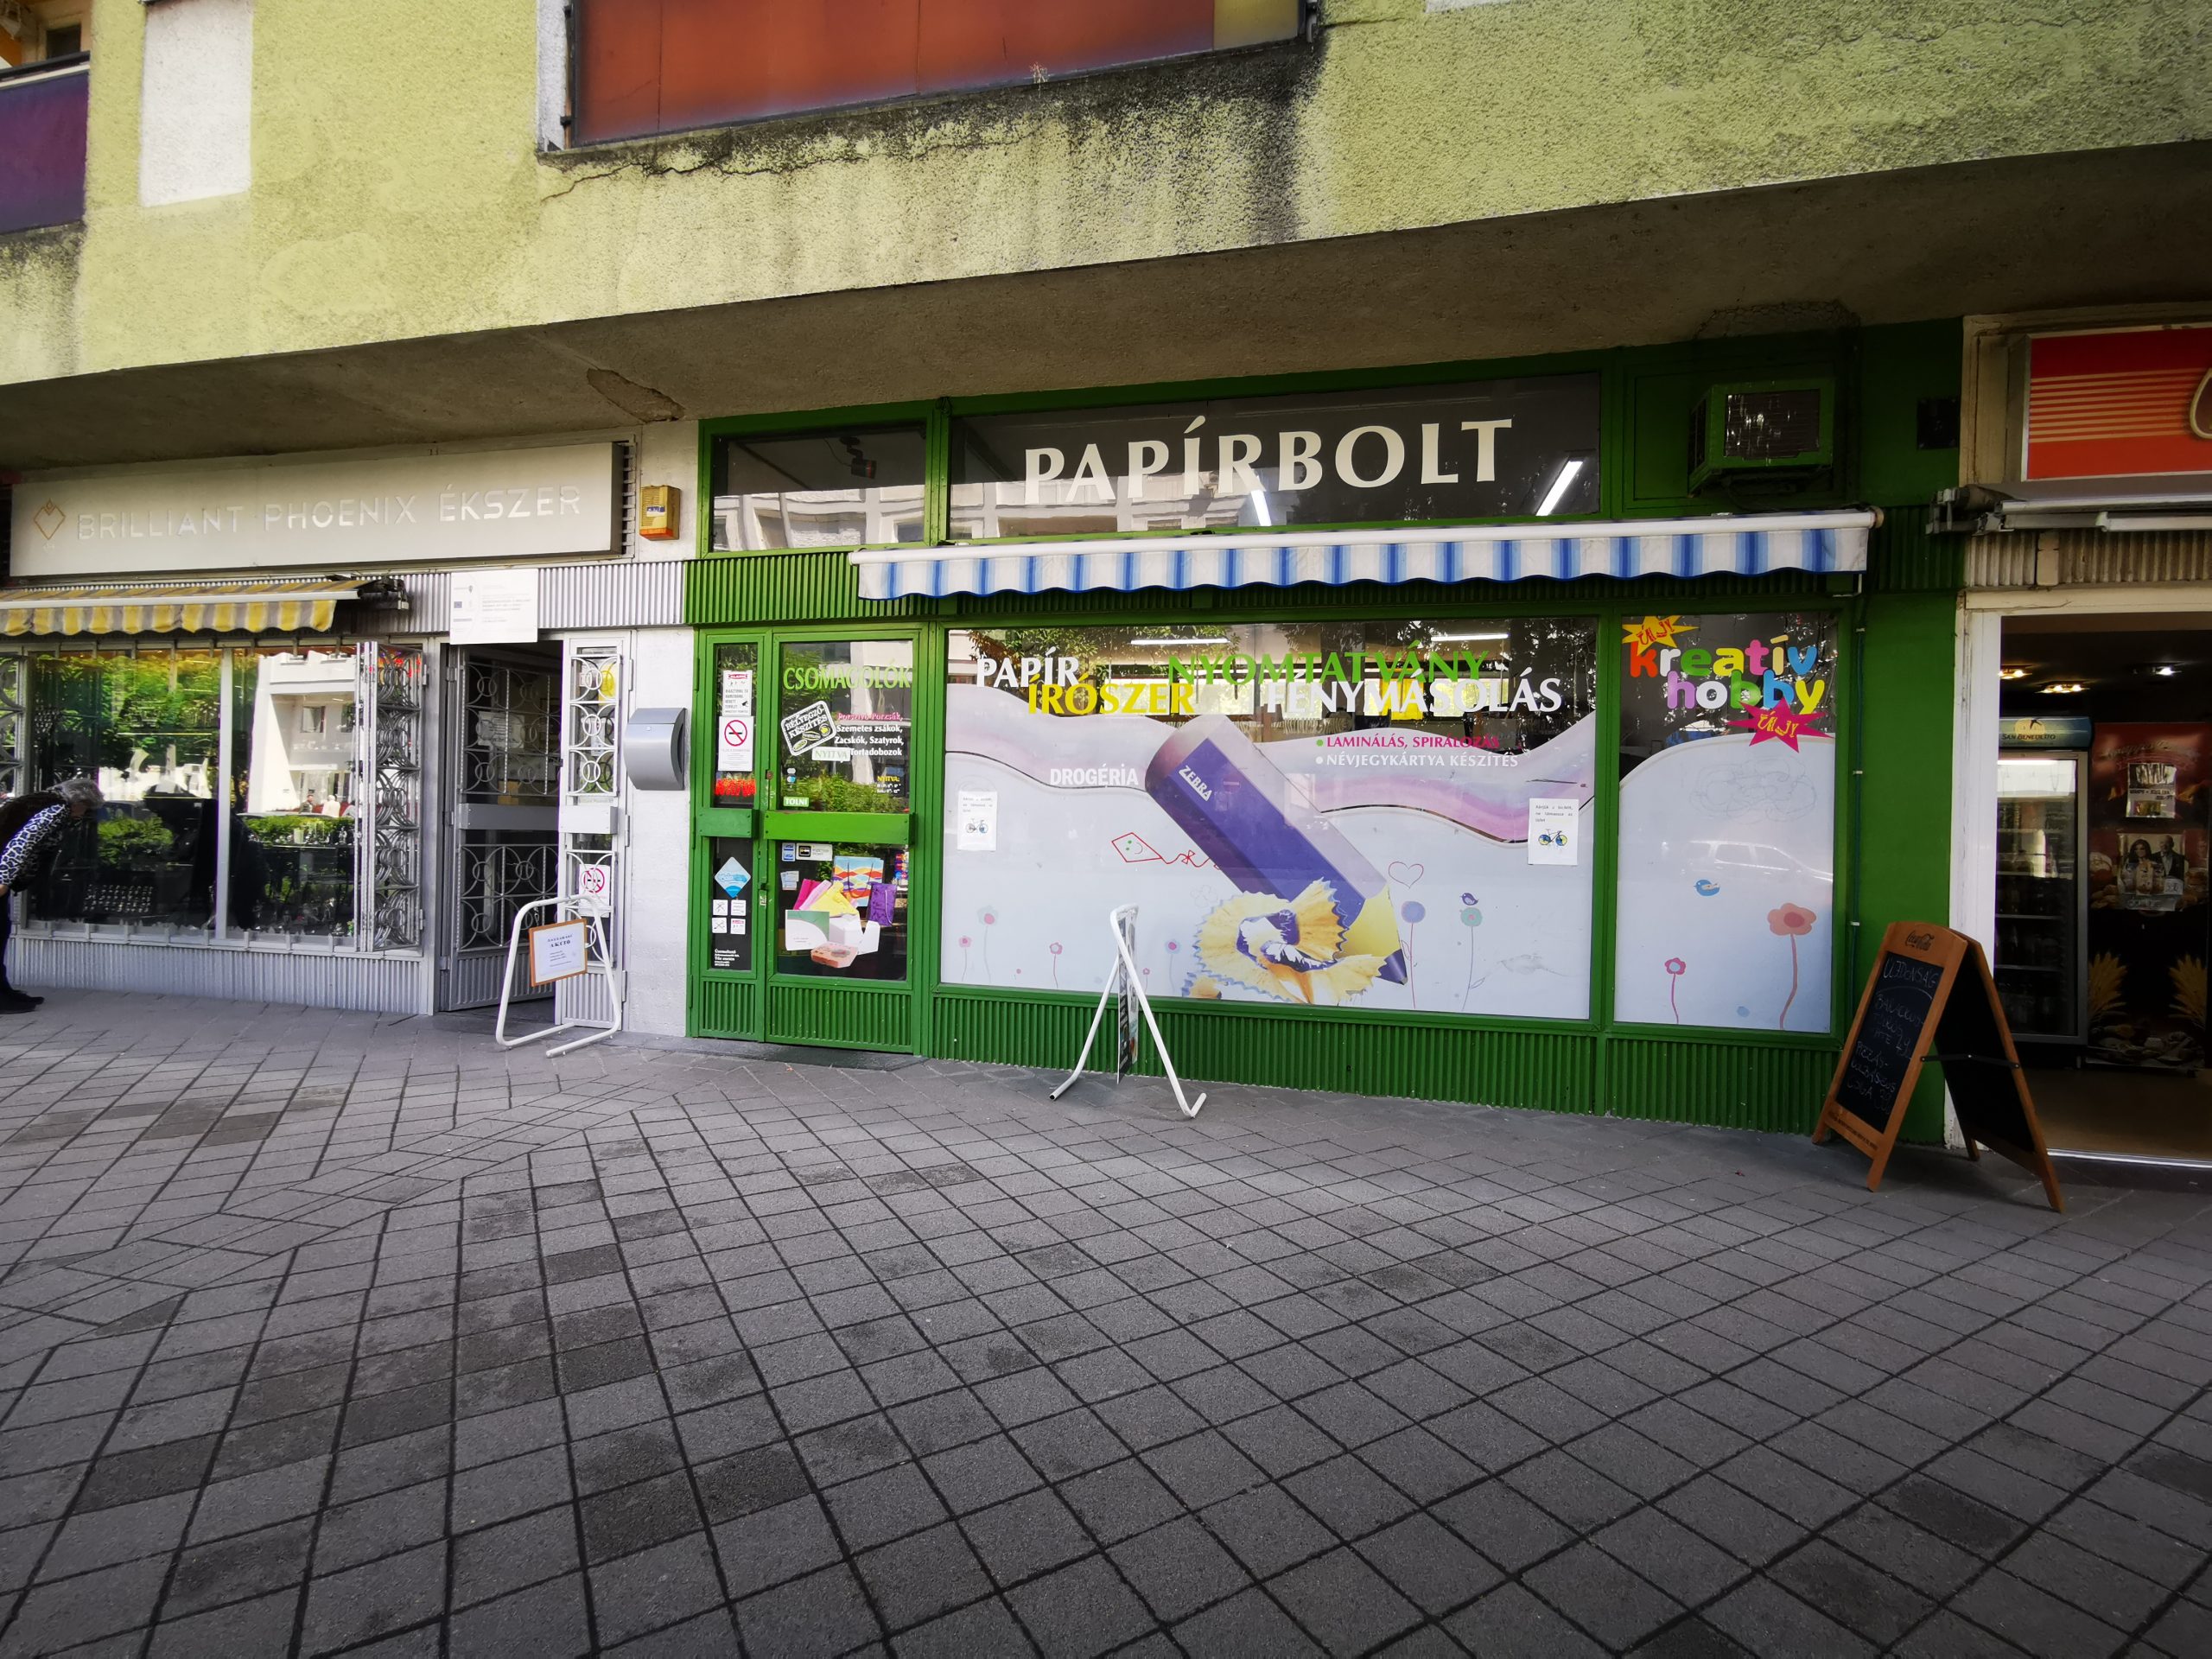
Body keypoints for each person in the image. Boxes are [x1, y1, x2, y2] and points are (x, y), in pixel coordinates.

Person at [0, 778, 104, 1012]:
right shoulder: (57, 809)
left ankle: (4, 991)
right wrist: (3, 880)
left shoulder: (43, 802)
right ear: (78, 802)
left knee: (2, 929)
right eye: (86, 808)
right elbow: (23, 843)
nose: (83, 815)